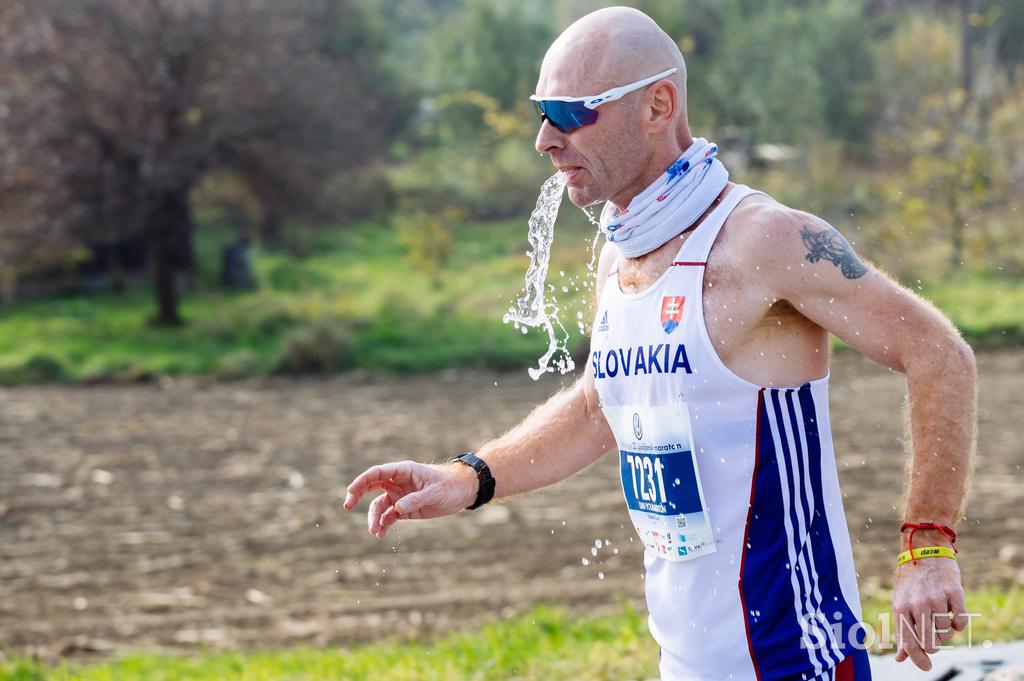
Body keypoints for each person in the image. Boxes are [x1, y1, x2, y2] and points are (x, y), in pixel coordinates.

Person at [343, 7, 976, 680]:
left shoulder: (761, 240)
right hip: (686, 663)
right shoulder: (619, 252)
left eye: (568, 111)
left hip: (793, 661)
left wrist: (927, 549)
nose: (545, 139)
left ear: (658, 105)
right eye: (539, 111)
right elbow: (597, 406)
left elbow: (938, 352)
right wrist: (468, 476)